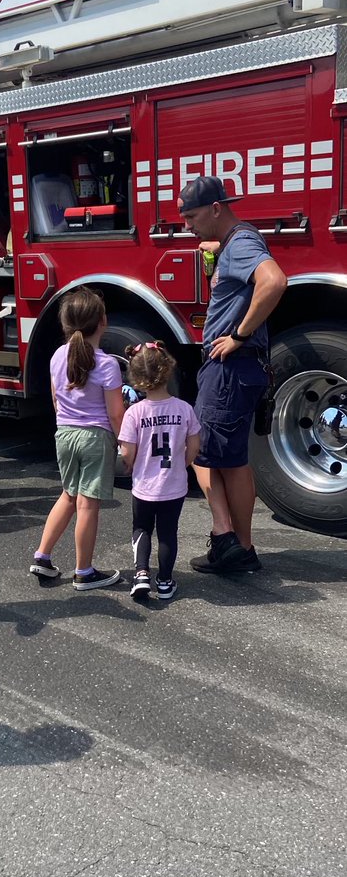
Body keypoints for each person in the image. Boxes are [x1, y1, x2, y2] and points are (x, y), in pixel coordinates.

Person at [177, 176, 287, 573]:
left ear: (215, 209)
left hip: (229, 368)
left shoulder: (241, 244)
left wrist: (238, 335)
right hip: (241, 370)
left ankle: (226, 538)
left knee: (197, 448)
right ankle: (241, 550)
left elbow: (274, 281)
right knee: (233, 460)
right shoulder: (238, 240)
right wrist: (217, 248)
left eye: (191, 217)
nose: (187, 225)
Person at [29, 287, 125, 590]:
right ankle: (83, 571)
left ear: (66, 324)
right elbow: (115, 414)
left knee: (68, 495)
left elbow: (56, 401)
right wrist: (125, 443)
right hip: (95, 437)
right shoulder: (107, 364)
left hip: (65, 434)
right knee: (87, 505)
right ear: (103, 322)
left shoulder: (57, 356)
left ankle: (42, 556)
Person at [118, 342, 201, 601]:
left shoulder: (134, 413)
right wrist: (182, 464)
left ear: (136, 377)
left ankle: (141, 573)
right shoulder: (184, 409)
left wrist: (130, 464)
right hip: (173, 485)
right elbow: (194, 446)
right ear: (168, 370)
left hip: (144, 485)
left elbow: (127, 451)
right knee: (167, 533)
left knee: (142, 527)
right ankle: (165, 581)